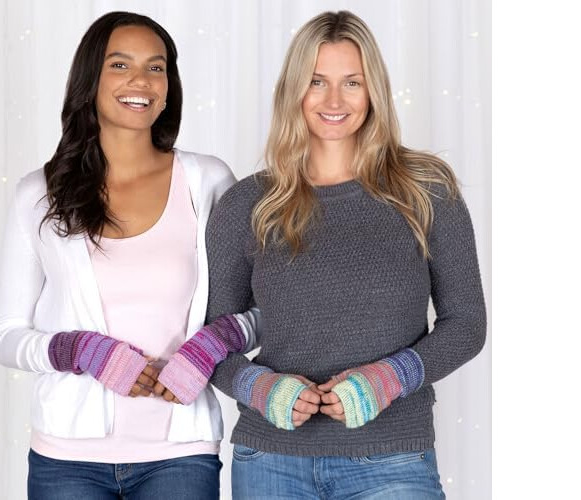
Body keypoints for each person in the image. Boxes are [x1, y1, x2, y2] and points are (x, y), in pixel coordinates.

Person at [200, 10, 486, 499]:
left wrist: (391, 378)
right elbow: (212, 339)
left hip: (393, 459)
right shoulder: (248, 203)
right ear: (294, 90)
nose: (334, 100)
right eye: (317, 82)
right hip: (270, 461)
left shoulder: (427, 190)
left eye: (352, 82)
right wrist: (259, 388)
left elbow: (467, 324)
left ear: (373, 90)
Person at [0, 11, 259, 499]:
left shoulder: (209, 182)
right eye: (120, 65)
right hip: (66, 460)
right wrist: (80, 351)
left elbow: (266, 306)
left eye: (156, 67)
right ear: (90, 80)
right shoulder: (39, 194)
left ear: (169, 87)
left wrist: (212, 345)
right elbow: (6, 336)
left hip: (180, 454)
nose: (141, 80)